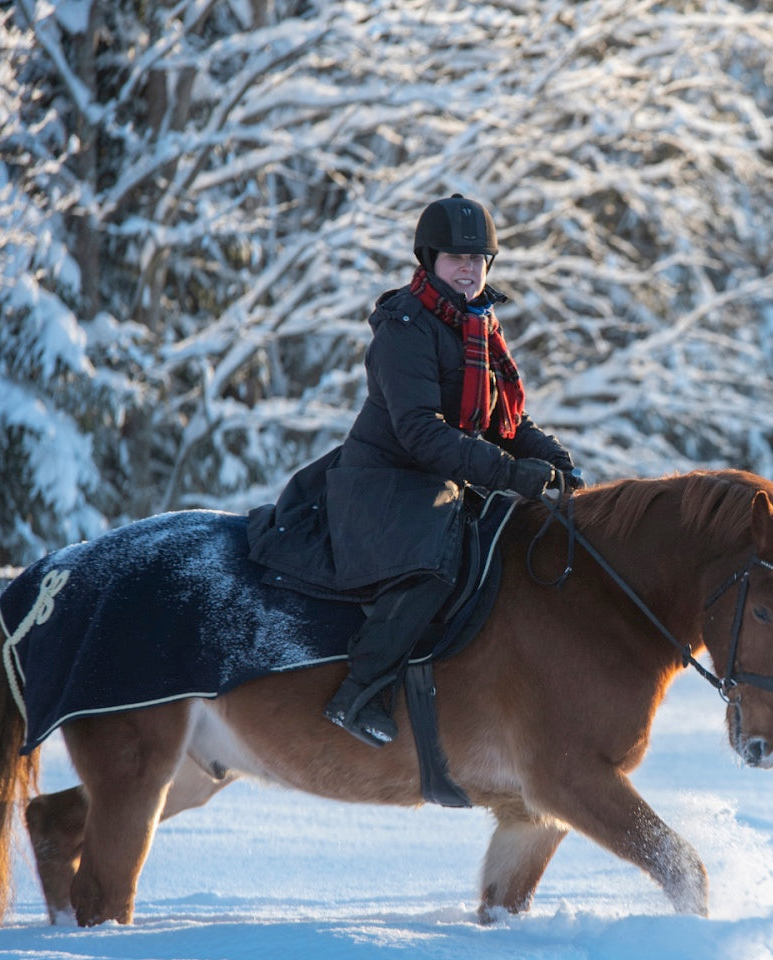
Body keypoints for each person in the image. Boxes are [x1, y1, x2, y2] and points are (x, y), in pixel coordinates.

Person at [247, 194, 579, 747]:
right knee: (434, 569)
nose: (469, 270)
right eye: (456, 258)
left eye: (478, 260)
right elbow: (421, 432)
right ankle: (359, 690)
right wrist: (505, 472)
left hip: (435, 479)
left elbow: (500, 420)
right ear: (429, 260)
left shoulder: (478, 325)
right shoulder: (406, 325)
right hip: (383, 482)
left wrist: (551, 457)